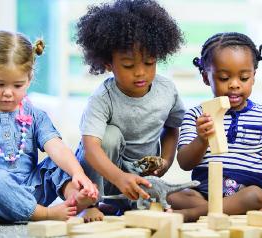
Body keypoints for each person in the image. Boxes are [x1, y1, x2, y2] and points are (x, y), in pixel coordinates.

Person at [167, 32, 262, 222]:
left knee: (258, 197)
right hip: (204, 190)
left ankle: (194, 214)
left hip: (245, 191)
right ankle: (218, 211)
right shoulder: (196, 115)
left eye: (243, 78)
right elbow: (185, 163)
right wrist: (202, 139)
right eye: (224, 78)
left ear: (253, 77)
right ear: (206, 77)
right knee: (173, 194)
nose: (234, 85)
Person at [74, 0, 185, 217]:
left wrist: (166, 161)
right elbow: (91, 148)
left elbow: (173, 127)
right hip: (105, 175)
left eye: (149, 62)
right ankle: (93, 204)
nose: (140, 73)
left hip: (140, 175)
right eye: (128, 65)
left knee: (180, 202)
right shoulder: (103, 98)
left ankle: (120, 204)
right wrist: (118, 178)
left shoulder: (167, 91)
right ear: (108, 63)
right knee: (110, 136)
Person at [0, 31, 98, 223]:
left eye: (17, 85)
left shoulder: (36, 115)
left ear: (29, 79)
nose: (8, 93)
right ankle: (46, 214)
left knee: (59, 161)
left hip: (31, 190)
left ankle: (74, 198)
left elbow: (57, 147)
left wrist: (78, 173)